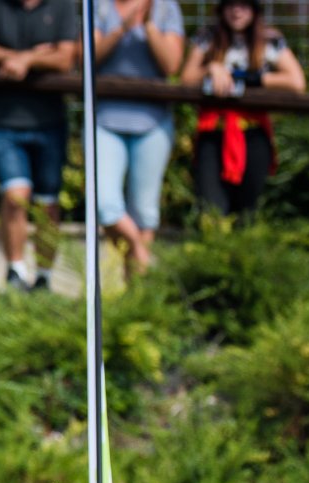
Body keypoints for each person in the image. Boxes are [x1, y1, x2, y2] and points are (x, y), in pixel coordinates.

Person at [0, 0, 81, 291]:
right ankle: (16, 273)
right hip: (1, 119)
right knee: (16, 195)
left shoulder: (63, 5)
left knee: (47, 203)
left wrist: (25, 60)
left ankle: (44, 277)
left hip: (49, 121)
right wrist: (35, 56)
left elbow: (66, 58)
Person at [178, 0, 304, 216]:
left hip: (253, 131)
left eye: (244, 5)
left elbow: (296, 82)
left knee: (249, 206)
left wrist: (254, 79)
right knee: (212, 206)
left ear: (254, 9)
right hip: (214, 131)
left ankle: (243, 246)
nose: (237, 11)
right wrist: (211, 68)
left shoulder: (268, 39)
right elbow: (186, 79)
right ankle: (215, 243)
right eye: (231, 4)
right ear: (222, 8)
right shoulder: (208, 36)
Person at [90, 0, 186, 277]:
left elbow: (172, 65)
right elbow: (85, 58)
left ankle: (137, 300)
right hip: (105, 118)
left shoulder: (166, 8)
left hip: (153, 122)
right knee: (104, 203)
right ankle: (140, 253)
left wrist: (148, 28)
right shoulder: (100, 6)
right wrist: (121, 29)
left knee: (144, 213)